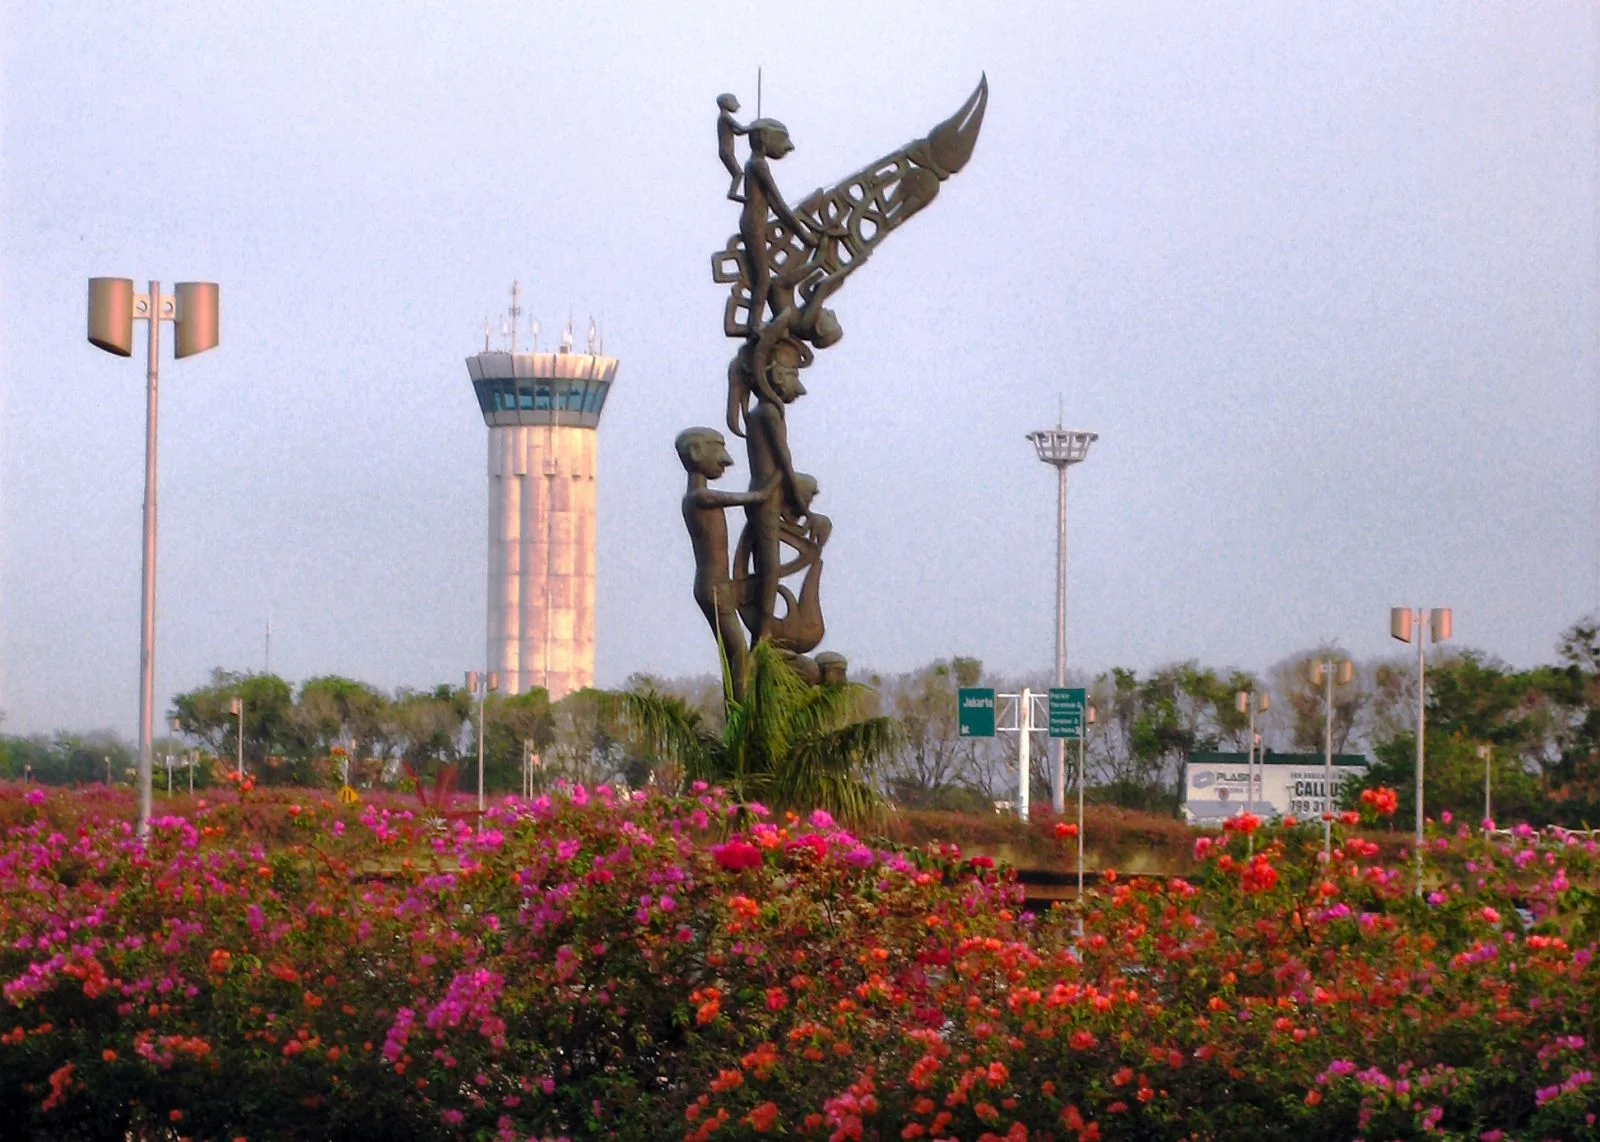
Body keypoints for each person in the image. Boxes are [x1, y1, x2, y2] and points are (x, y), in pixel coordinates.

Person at [676, 427, 777, 691]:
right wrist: (776, 475)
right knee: (739, 654)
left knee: (733, 654)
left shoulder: (699, 498)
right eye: (717, 449)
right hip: (714, 588)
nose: (727, 460)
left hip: (719, 586)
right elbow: (755, 498)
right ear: (696, 453)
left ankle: (736, 707)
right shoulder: (699, 497)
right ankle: (741, 714)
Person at [716, 94, 748, 203]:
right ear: (726, 102)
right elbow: (741, 128)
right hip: (726, 152)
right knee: (738, 173)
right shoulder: (725, 117)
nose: (737, 105)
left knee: (738, 173)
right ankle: (732, 193)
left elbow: (738, 132)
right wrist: (755, 127)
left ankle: (734, 192)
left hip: (726, 152)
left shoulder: (723, 117)